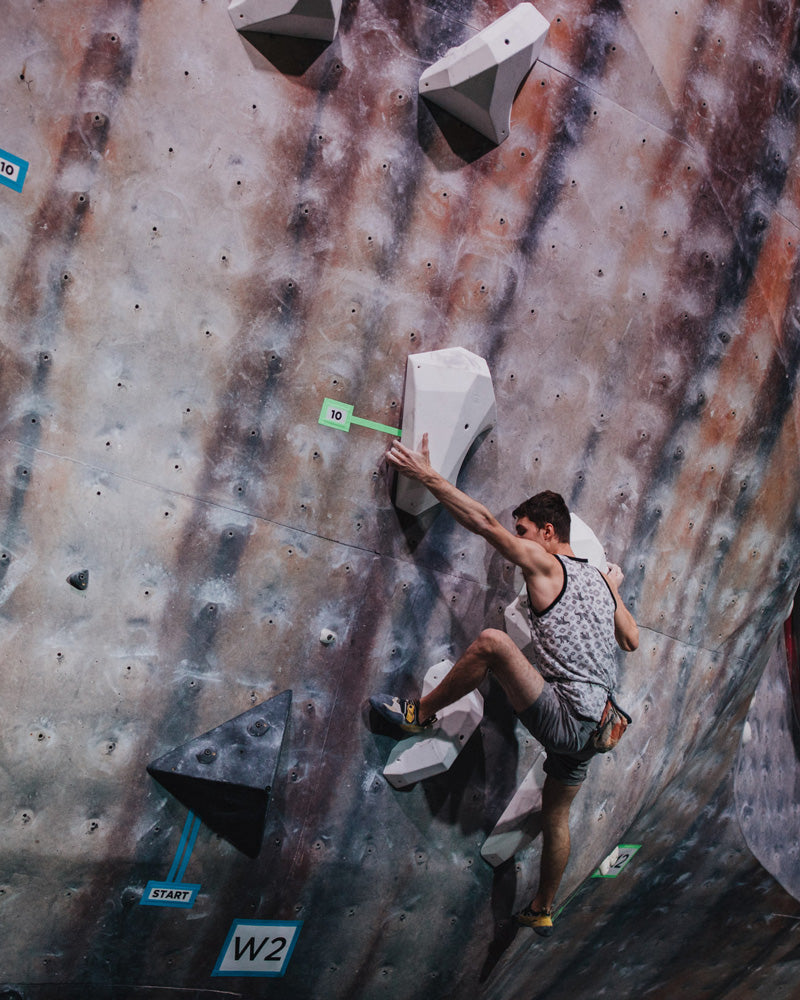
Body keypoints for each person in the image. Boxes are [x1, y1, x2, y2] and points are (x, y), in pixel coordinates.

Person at [370, 433, 639, 937]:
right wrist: (614, 589)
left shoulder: (545, 563)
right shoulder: (600, 581)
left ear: (548, 531)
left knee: (493, 643)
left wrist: (429, 477)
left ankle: (417, 715)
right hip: (599, 729)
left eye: (525, 529)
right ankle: (542, 906)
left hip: (568, 716)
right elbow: (632, 640)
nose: (518, 538)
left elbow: (484, 524)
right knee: (556, 816)